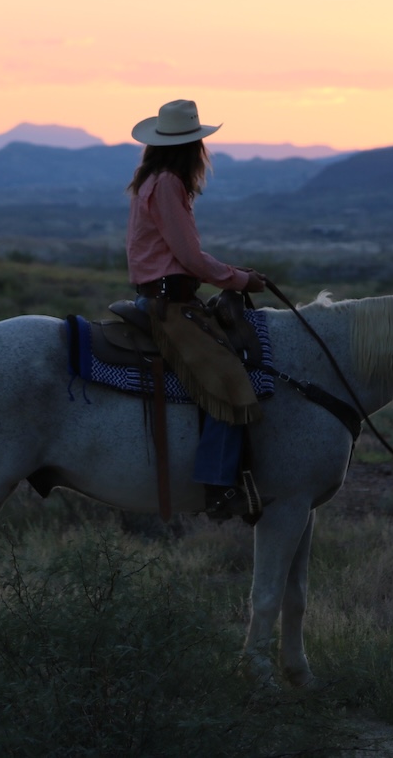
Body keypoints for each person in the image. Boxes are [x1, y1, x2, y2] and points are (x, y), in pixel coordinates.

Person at [127, 99, 267, 519]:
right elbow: (189, 256)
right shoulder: (169, 183)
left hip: (169, 295)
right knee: (228, 381)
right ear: (194, 147)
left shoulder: (152, 179)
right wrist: (240, 279)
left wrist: (230, 273)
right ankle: (218, 488)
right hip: (169, 303)